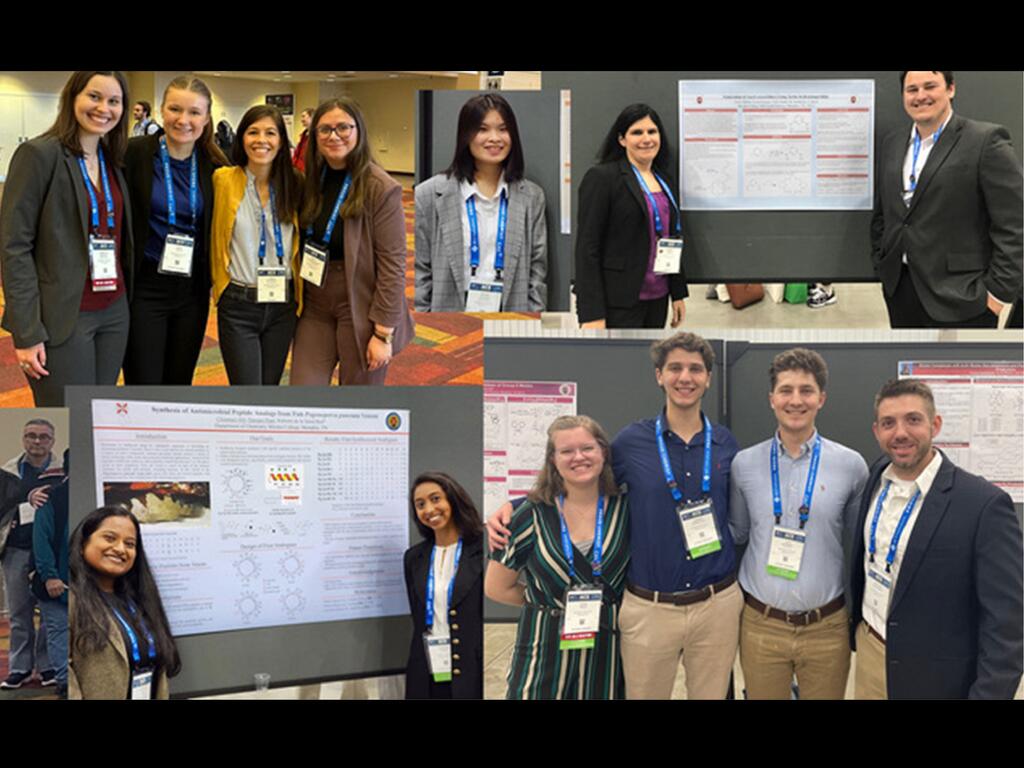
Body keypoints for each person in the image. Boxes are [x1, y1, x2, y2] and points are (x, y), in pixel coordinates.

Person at [488, 333, 741, 699]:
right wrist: (512, 505)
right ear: (659, 375)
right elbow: (581, 479)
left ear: (708, 378)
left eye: (695, 369)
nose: (685, 377)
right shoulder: (631, 441)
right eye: (675, 368)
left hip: (715, 603)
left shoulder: (725, 443)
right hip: (650, 608)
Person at [849, 378, 1023, 699]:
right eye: (889, 423)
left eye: (913, 420)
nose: (900, 432)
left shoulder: (983, 505)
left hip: (935, 677)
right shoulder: (876, 477)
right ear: (877, 431)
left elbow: (1007, 625)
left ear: (936, 424)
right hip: (871, 652)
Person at [729, 348, 868, 699]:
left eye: (806, 390)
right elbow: (740, 532)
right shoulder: (744, 464)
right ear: (771, 398)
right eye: (786, 390)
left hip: (827, 627)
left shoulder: (852, 466)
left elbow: (859, 542)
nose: (796, 400)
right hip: (761, 624)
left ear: (821, 398)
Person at [0, 70, 133, 407]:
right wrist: (26, 333)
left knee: (99, 413)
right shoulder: (39, 155)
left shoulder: (112, 159)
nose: (104, 108)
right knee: (65, 418)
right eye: (94, 96)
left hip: (114, 310)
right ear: (73, 97)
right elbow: (14, 246)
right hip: (63, 315)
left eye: (114, 101)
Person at [486, 415, 629, 699]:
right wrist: (548, 603)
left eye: (587, 448)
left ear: (603, 452)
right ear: (553, 460)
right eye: (566, 451)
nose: (579, 457)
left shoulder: (626, 510)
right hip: (544, 646)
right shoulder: (527, 515)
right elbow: (496, 587)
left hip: (608, 648)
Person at [872, 71, 1023, 328]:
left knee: (962, 368)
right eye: (912, 89)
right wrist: (883, 260)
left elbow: (1015, 224)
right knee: (906, 366)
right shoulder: (893, 143)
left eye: (930, 86)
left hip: (963, 297)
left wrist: (997, 294)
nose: (921, 96)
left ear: (950, 89)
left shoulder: (985, 141)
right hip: (902, 291)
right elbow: (885, 213)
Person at [290, 97, 414, 386]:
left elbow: (393, 266)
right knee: (302, 391)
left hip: (360, 304)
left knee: (358, 403)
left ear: (359, 131)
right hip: (314, 302)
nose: (334, 136)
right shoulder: (310, 181)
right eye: (325, 129)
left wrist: (383, 334)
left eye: (343, 127)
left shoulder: (379, 187)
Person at [122, 75, 228, 385]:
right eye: (175, 109)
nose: (184, 120)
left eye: (194, 112)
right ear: (161, 111)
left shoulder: (216, 166)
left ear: (207, 118)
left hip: (191, 291)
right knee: (143, 380)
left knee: (179, 381)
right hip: (145, 286)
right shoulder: (133, 154)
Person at [415, 93, 547, 312]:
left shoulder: (532, 196)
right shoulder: (429, 194)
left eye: (503, 129)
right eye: (483, 129)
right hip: (449, 317)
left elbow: (537, 270)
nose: (494, 138)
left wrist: (533, 320)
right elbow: (421, 270)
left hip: (511, 313)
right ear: (466, 136)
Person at [575, 103, 688, 329]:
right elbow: (587, 248)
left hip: (658, 297)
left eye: (652, 131)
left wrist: (677, 294)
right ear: (622, 139)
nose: (646, 139)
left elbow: (671, 236)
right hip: (618, 301)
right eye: (637, 132)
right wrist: (591, 314)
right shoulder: (602, 178)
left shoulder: (665, 180)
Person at [211, 105, 302, 385]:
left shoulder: (296, 183)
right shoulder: (223, 180)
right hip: (238, 302)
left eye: (270, 133)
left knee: (270, 387)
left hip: (282, 305)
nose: (261, 140)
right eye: (253, 132)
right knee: (247, 391)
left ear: (281, 140)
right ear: (241, 138)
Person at [69, 506, 180, 699]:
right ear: (82, 544)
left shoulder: (140, 600)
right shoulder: (71, 601)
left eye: (130, 544)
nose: (120, 549)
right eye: (109, 538)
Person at [404, 472, 483, 700]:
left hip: (471, 670)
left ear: (453, 499)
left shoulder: (482, 550)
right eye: (420, 504)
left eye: (436, 499)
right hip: (427, 671)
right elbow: (418, 616)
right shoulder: (414, 558)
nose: (429, 509)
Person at [0, 419, 63, 689]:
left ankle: (47, 665)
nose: (36, 441)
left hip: (50, 551)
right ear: (24, 439)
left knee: (51, 611)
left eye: (43, 437)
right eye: (31, 436)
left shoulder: (63, 472)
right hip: (16, 548)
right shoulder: (7, 473)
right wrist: (25, 502)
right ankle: (20, 668)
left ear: (52, 441)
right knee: (19, 612)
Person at [32, 448, 70, 697]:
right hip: (55, 581)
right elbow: (41, 539)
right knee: (58, 628)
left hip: (89, 582)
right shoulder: (51, 497)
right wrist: (50, 575)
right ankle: (64, 681)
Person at [292, 108, 312, 173]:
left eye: (303, 116)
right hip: (298, 169)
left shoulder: (317, 136)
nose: (301, 120)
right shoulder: (304, 135)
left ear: (312, 117)